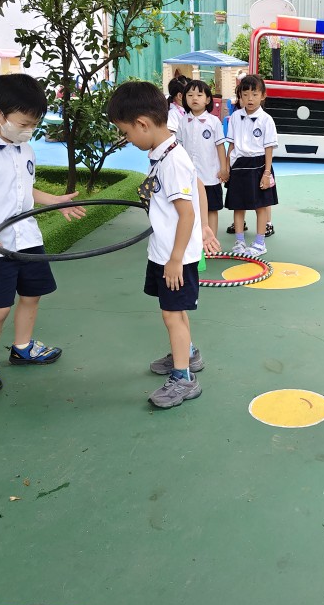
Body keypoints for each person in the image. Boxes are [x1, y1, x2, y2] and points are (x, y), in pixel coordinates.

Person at [0, 73, 86, 394]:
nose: (29, 130)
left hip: (28, 239)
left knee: (31, 295)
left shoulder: (25, 150)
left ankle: (23, 347)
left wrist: (54, 201)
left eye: (34, 124)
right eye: (24, 123)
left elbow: (25, 189)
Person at [106, 80, 220, 409]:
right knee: (173, 312)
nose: (127, 139)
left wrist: (176, 258)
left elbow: (185, 213)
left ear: (143, 124)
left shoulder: (172, 161)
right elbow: (198, 185)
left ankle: (184, 378)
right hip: (165, 251)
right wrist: (204, 229)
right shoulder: (164, 153)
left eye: (126, 132)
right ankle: (187, 354)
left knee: (172, 315)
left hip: (175, 257)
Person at [224, 74, 278, 258]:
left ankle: (260, 243)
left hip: (259, 164)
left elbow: (269, 148)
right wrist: (226, 167)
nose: (250, 99)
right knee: (238, 205)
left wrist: (267, 173)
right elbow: (231, 145)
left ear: (263, 95)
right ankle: (239, 241)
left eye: (254, 94)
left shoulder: (266, 120)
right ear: (240, 96)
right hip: (239, 164)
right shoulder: (234, 117)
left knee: (260, 206)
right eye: (245, 94)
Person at [177, 79, 229, 242]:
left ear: (207, 100)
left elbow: (220, 146)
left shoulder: (214, 122)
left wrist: (223, 169)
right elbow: (179, 147)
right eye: (190, 95)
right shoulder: (183, 121)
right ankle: (193, 242)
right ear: (184, 98)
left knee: (212, 209)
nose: (194, 98)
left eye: (199, 95)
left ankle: (211, 241)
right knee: (190, 209)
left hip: (209, 175)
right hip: (189, 176)